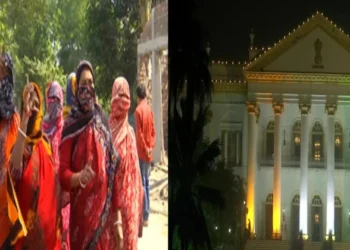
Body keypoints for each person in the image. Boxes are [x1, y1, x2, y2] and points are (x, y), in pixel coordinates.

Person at [59, 60, 121, 250]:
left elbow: (113, 170)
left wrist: (118, 221)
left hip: (104, 222)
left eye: (91, 82)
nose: (88, 88)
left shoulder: (102, 119)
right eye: (83, 84)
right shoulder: (71, 126)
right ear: (76, 88)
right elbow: (62, 174)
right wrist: (79, 177)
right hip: (82, 224)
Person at [10, 81, 61, 250]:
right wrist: (25, 118)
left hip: (47, 241)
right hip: (25, 240)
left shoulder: (45, 144)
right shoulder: (20, 145)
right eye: (30, 103)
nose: (34, 109)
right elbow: (14, 170)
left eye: (38, 105)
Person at [110, 77, 144, 250]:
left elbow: (137, 177)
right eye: (119, 96)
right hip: (113, 214)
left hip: (130, 212)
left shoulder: (129, 133)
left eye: (125, 97)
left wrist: (139, 211)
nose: (122, 102)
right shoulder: (106, 134)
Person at [0, 50, 27, 248]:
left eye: (3, 71)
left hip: (5, 218)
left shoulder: (13, 121)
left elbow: (15, 169)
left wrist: (25, 120)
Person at [42, 81, 70, 249]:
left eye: (57, 99)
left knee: (63, 233)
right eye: (51, 99)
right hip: (46, 191)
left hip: (63, 190)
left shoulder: (65, 128)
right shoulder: (42, 127)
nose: (54, 103)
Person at [134, 83, 156, 227]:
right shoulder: (149, 110)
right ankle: (146, 215)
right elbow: (153, 131)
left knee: (142, 183)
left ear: (137, 96)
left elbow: (139, 134)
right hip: (148, 153)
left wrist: (145, 148)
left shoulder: (138, 111)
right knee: (146, 182)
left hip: (142, 153)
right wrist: (151, 147)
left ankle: (145, 215)